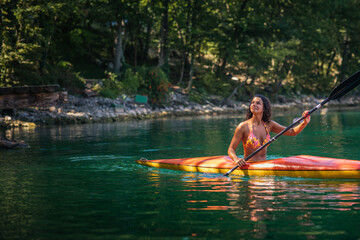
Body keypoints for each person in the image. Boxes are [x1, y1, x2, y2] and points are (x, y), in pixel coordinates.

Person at [228, 94, 310, 167]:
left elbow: (292, 132)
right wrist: (236, 159)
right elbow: (231, 149)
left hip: (265, 165)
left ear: (264, 108)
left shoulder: (269, 125)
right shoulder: (243, 126)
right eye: (252, 102)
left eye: (258, 103)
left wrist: (304, 123)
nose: (254, 104)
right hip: (249, 167)